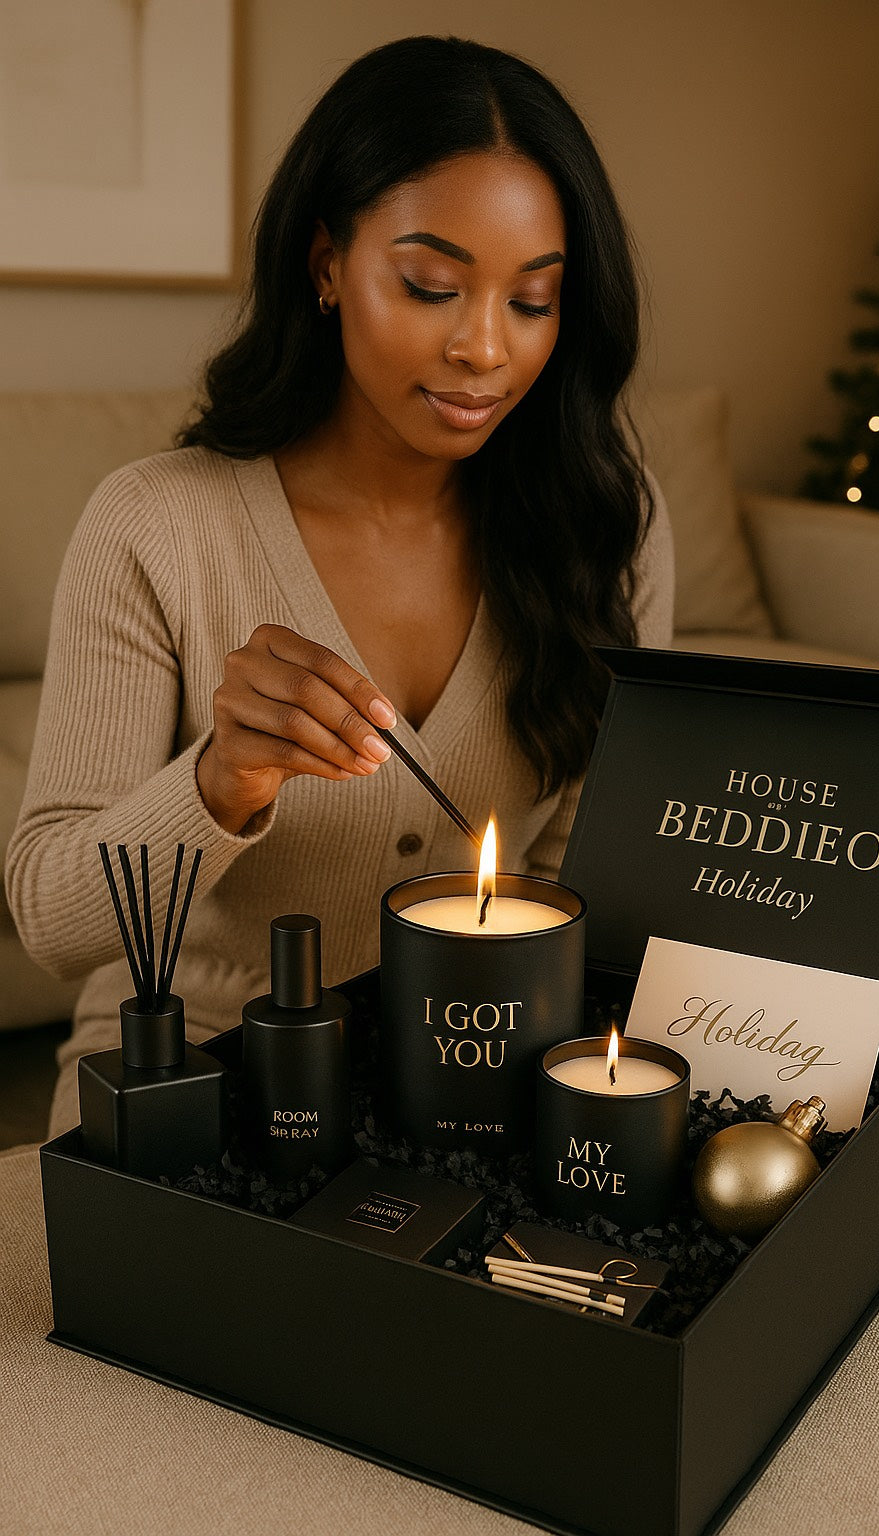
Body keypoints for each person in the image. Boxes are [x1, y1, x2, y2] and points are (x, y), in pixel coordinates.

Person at [5, 35, 674, 1137]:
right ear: (325, 263)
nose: (481, 348)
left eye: (534, 301)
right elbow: (53, 920)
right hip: (192, 1083)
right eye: (430, 286)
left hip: (476, 1086)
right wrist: (220, 783)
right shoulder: (158, 522)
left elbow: (572, 881)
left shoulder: (609, 520)